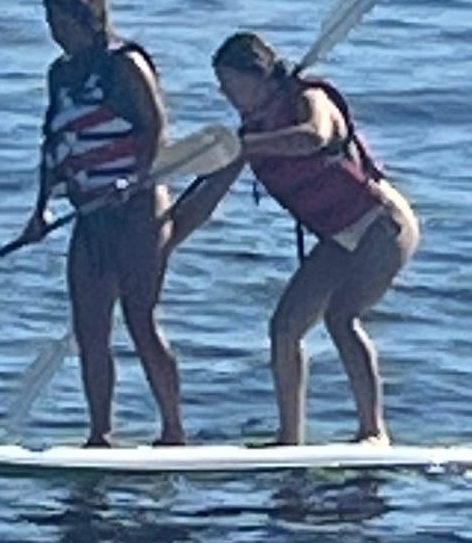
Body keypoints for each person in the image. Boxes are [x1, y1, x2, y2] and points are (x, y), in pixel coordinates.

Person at [169, 28, 420, 446]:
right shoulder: (248, 133)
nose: (227, 94)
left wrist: (248, 146)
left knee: (341, 316)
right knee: (285, 328)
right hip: (338, 237)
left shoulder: (307, 99)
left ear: (261, 77)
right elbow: (206, 201)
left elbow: (313, 137)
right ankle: (290, 439)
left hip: (381, 223)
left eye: (233, 84)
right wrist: (162, 245)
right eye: (222, 87)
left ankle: (373, 432)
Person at [23, 0, 186, 445]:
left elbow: (156, 129)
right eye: (49, 23)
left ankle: (174, 431)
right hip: (89, 217)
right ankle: (100, 435)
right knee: (89, 328)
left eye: (61, 22)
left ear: (87, 20)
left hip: (137, 211)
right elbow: (52, 147)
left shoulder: (124, 64)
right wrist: (40, 211)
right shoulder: (59, 73)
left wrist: (135, 181)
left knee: (139, 318)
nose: (55, 33)